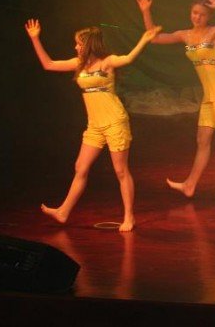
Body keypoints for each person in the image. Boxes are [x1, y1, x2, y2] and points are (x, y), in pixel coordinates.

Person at [25, 20, 160, 231]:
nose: (76, 47)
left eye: (79, 44)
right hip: (95, 126)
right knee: (80, 167)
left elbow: (128, 58)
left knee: (121, 171)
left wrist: (144, 39)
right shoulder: (78, 63)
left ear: (89, 45)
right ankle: (63, 211)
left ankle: (129, 217)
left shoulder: (107, 62)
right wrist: (35, 38)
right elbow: (48, 64)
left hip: (115, 122)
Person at [135, 0, 215, 204]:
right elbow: (154, 38)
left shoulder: (214, 32)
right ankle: (190, 184)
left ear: (209, 17)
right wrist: (146, 12)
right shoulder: (185, 35)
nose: (197, 17)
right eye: (195, 13)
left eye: (202, 14)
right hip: (209, 95)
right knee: (202, 140)